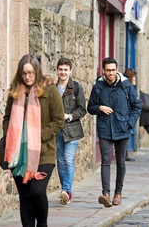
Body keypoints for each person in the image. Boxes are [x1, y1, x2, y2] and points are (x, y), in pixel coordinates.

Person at [3, 54, 65, 227]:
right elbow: (7, 117)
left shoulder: (50, 90)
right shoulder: (15, 91)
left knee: (37, 191)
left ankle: (42, 224)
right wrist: (10, 137)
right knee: (25, 196)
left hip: (43, 152)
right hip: (19, 154)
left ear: (37, 72)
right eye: (24, 74)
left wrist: (38, 135)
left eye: (31, 73)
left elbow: (58, 120)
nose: (28, 77)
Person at [87, 58, 142, 208]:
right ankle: (106, 194)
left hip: (122, 129)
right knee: (105, 161)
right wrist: (100, 108)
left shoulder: (126, 85)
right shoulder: (98, 86)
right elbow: (90, 107)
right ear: (103, 70)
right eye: (108, 70)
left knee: (120, 162)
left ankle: (118, 193)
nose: (111, 73)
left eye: (113, 70)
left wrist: (129, 124)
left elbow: (137, 106)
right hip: (105, 128)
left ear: (116, 69)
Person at [54, 57, 87, 205]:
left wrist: (69, 116)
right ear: (57, 70)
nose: (63, 72)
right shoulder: (52, 88)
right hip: (57, 131)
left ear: (70, 71)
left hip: (72, 130)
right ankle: (65, 192)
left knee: (68, 160)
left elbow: (82, 110)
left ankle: (66, 190)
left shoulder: (76, 87)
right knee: (60, 162)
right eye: (60, 69)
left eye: (65, 70)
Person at [123, 68, 149, 152]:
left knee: (128, 131)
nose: (135, 79)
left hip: (141, 113)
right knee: (144, 129)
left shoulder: (133, 87)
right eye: (134, 77)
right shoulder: (131, 87)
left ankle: (126, 152)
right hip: (142, 112)